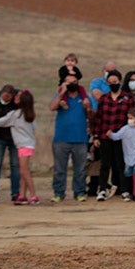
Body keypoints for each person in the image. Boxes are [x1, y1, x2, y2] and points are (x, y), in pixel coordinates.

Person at [0, 89, 38, 205]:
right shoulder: (30, 114)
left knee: (24, 171)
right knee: (23, 170)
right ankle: (22, 195)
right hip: (28, 144)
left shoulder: (14, 115)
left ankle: (34, 195)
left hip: (22, 145)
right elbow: (34, 127)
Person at [90, 69, 134, 201]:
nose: (113, 84)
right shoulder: (104, 99)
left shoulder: (127, 98)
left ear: (120, 82)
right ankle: (102, 189)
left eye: (115, 82)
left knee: (121, 164)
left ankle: (124, 190)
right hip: (105, 137)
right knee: (105, 164)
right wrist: (96, 136)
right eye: (110, 82)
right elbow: (99, 119)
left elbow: (131, 118)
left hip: (121, 137)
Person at [49, 73, 91, 202]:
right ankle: (58, 193)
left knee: (80, 169)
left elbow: (91, 114)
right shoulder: (61, 97)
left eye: (75, 82)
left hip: (80, 138)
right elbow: (52, 107)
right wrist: (62, 92)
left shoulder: (84, 97)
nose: (72, 84)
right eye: (69, 82)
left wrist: (88, 107)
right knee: (59, 169)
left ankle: (79, 192)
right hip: (61, 138)